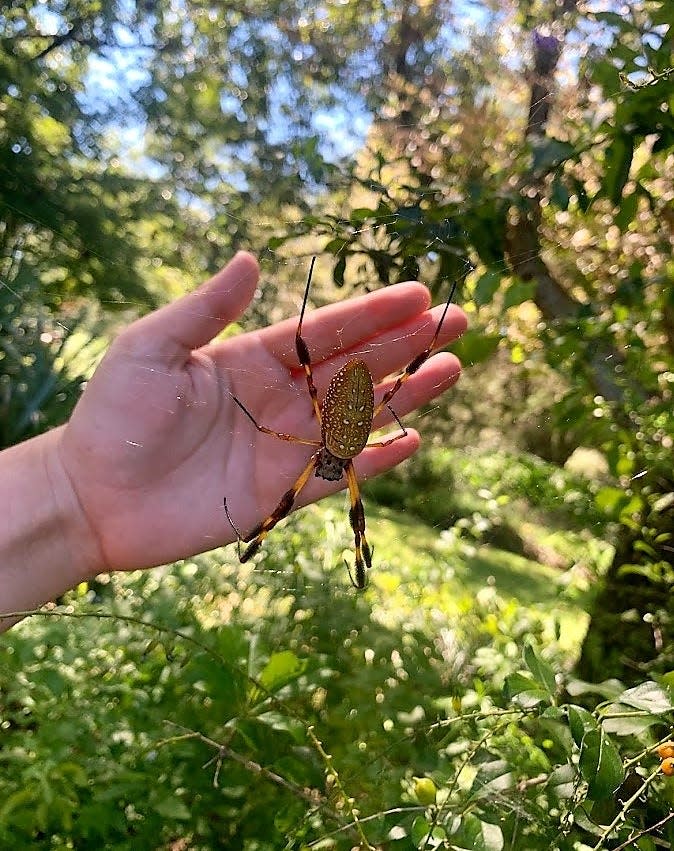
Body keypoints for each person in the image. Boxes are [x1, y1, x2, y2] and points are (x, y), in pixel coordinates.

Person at [0, 252, 467, 630]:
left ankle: (273, 547)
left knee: (330, 499)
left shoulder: (320, 454)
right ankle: (314, 554)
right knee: (339, 502)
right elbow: (307, 482)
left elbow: (282, 453)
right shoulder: (340, 462)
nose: (323, 475)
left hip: (343, 417)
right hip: (351, 417)